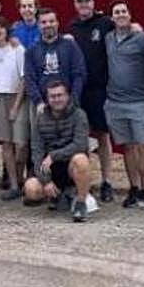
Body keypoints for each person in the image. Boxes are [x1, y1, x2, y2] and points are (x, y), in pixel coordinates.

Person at [105, 0, 144, 209]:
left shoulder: (142, 39)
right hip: (116, 102)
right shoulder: (108, 38)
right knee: (127, 146)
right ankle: (134, 188)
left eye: (123, 11)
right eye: (116, 12)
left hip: (140, 102)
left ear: (129, 15)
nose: (120, 15)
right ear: (112, 18)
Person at [69, 0, 116, 203]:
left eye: (86, 1)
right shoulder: (72, 28)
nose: (83, 5)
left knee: (103, 136)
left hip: (100, 90)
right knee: (81, 138)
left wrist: (135, 27)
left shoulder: (105, 23)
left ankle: (107, 182)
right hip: (79, 91)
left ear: (93, 3)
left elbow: (124, 29)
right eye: (80, 2)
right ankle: (85, 181)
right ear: (75, 5)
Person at [24, 79, 92, 223]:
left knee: (82, 160)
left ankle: (80, 203)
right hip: (49, 168)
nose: (56, 99)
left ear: (67, 96)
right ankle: (56, 195)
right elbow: (36, 153)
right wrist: (46, 181)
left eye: (60, 95)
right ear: (47, 99)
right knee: (31, 189)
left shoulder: (79, 115)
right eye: (52, 96)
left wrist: (54, 156)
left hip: (70, 165)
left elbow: (80, 145)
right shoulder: (40, 119)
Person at [0, 18, 27, 201]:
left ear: (7, 30)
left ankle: (21, 177)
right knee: (6, 144)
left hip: (16, 97)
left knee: (21, 143)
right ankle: (13, 184)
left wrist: (16, 106)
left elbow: (23, 79)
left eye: (1, 27)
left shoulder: (17, 49)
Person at [24, 8, 86, 110]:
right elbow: (29, 79)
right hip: (42, 107)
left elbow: (79, 74)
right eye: (43, 22)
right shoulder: (31, 50)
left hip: (69, 105)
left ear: (57, 23)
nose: (48, 25)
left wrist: (73, 99)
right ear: (38, 26)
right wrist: (38, 102)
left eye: (51, 21)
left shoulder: (70, 45)